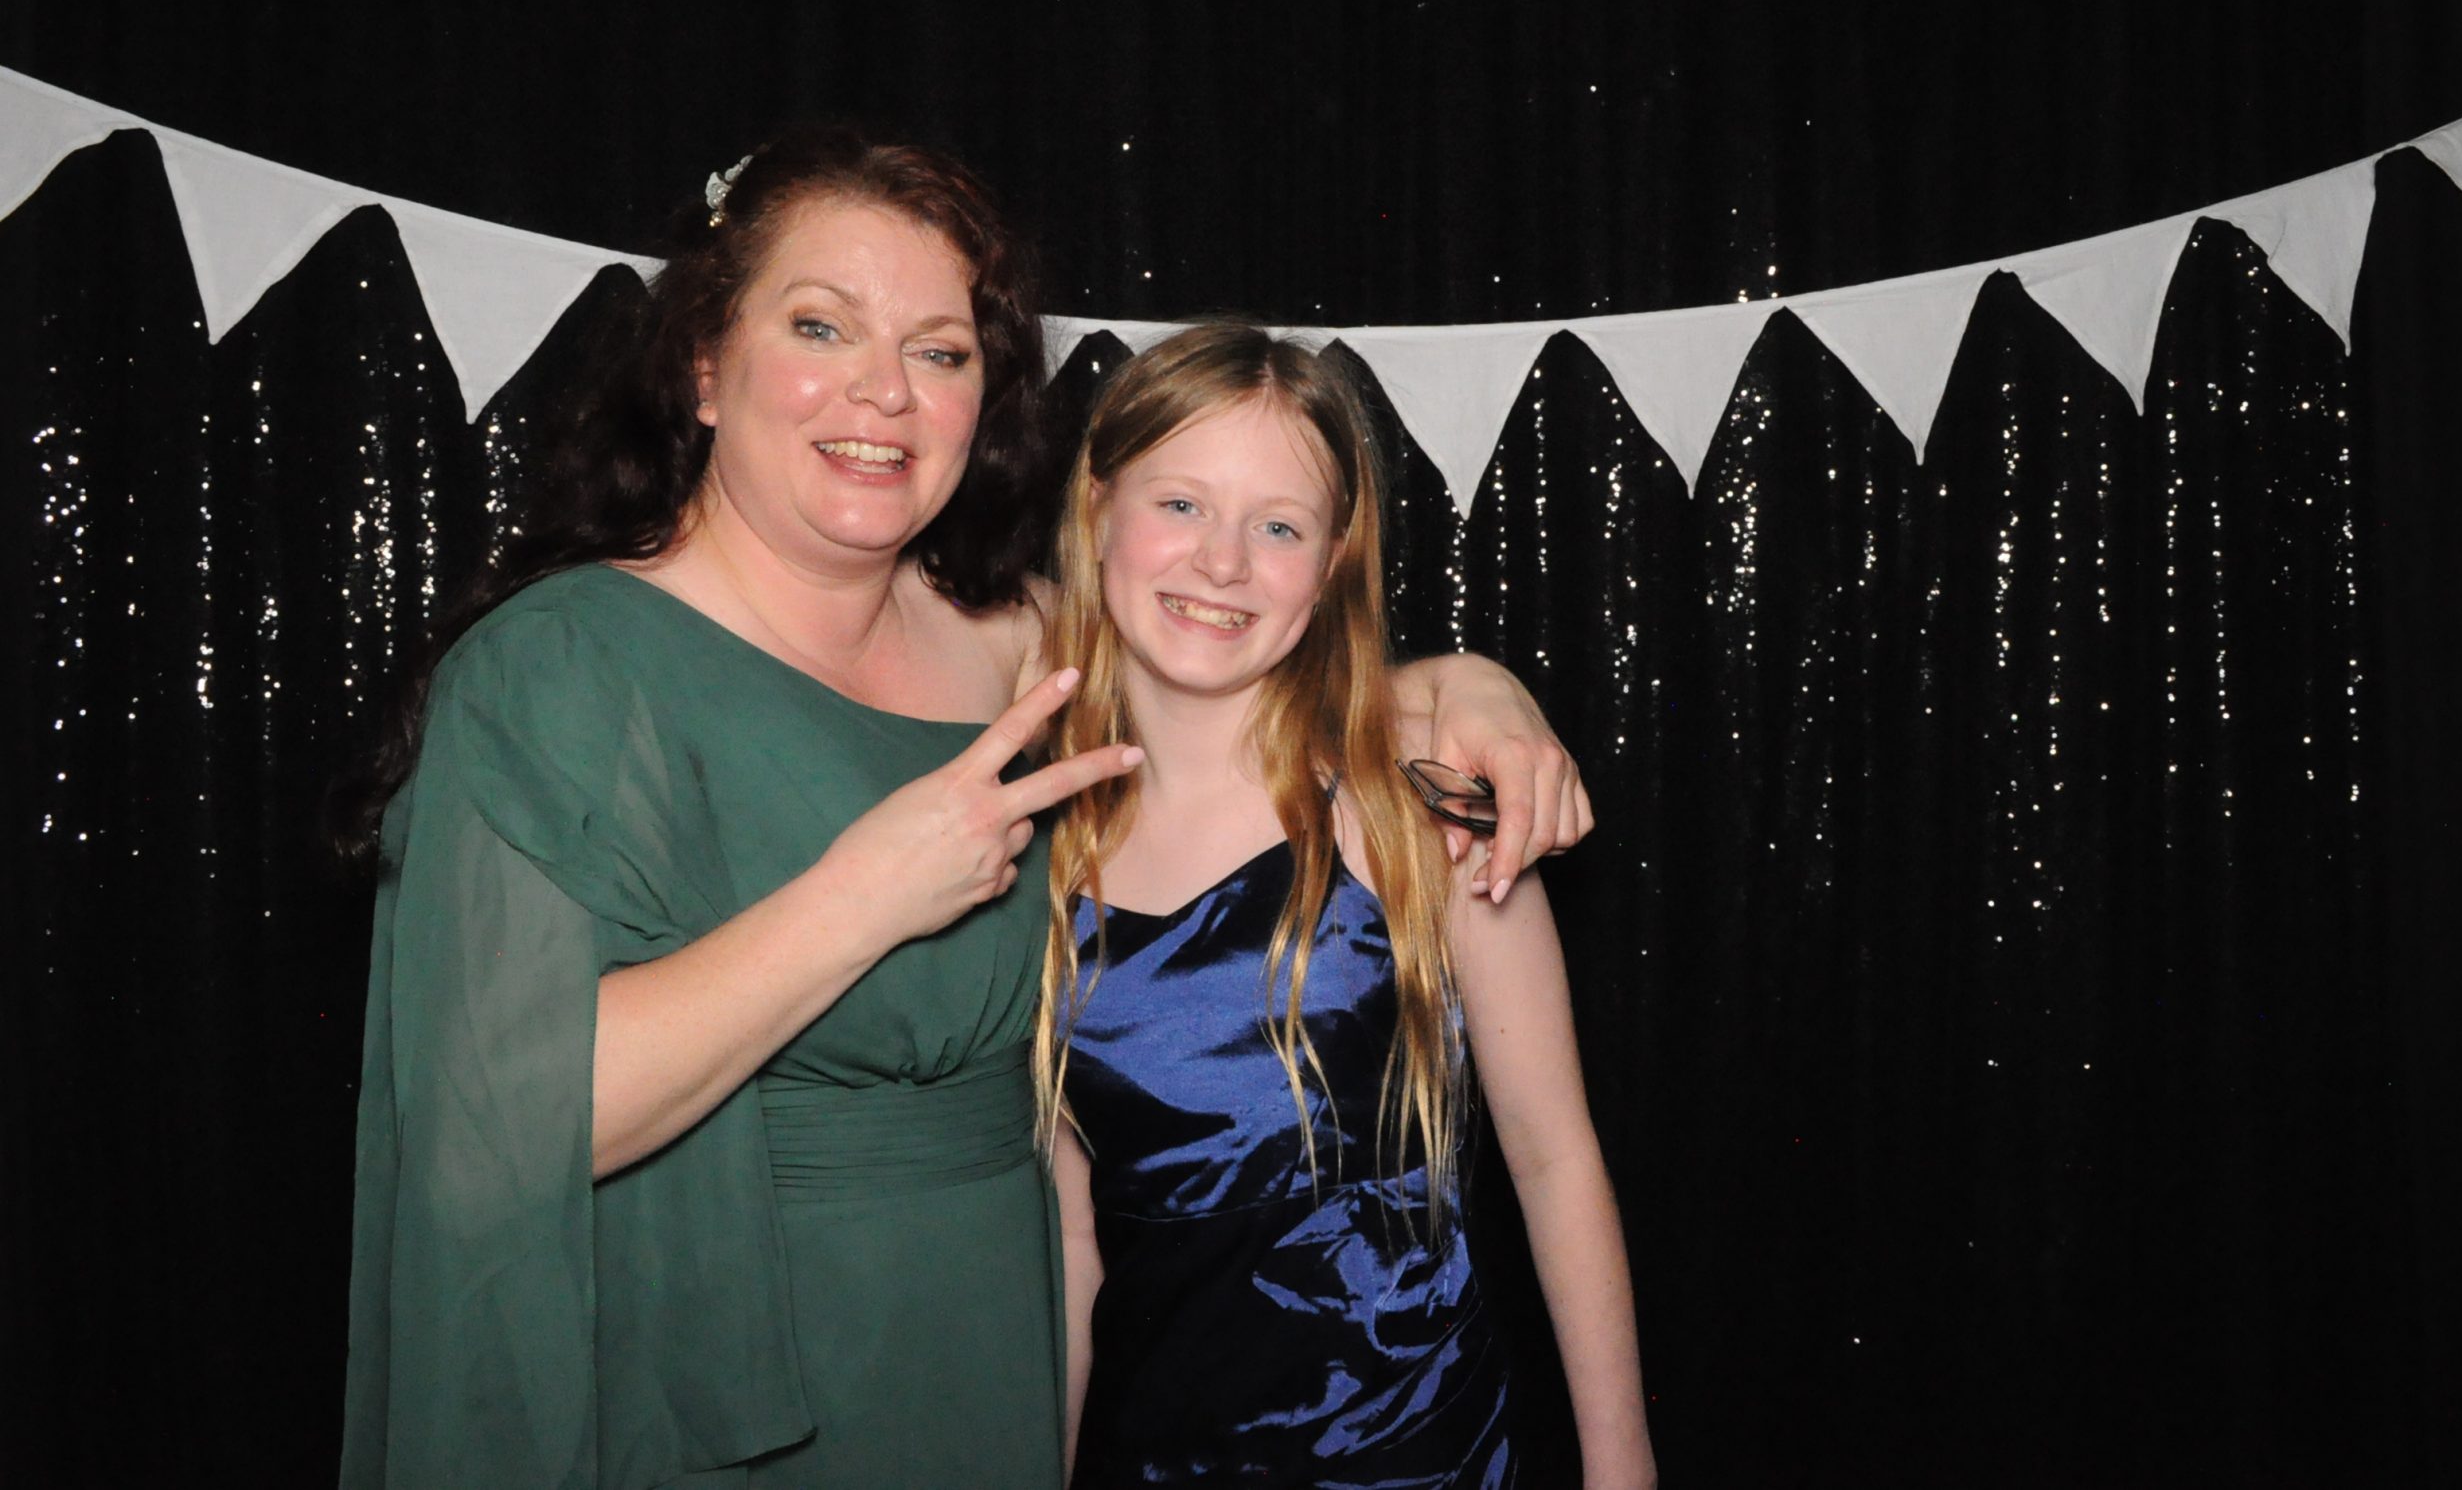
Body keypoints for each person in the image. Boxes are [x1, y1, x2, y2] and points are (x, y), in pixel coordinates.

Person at [337, 129, 1592, 1489]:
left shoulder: (1004, 644)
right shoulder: (558, 666)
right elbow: (493, 1126)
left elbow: (1223, 656)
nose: (883, 390)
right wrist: (862, 896)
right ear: (702, 362)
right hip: (726, 1380)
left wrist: (1463, 688)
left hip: (991, 1367)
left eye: (938, 351)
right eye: (821, 325)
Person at [1040, 326, 1655, 1488]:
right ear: (1099, 509)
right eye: (1181, 502)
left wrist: (1621, 1464)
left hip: (1414, 1456)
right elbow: (1073, 1234)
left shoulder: (1422, 813)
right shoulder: (1041, 843)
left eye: (1277, 526)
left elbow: (1554, 1157)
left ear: (1329, 564)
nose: (1223, 561)